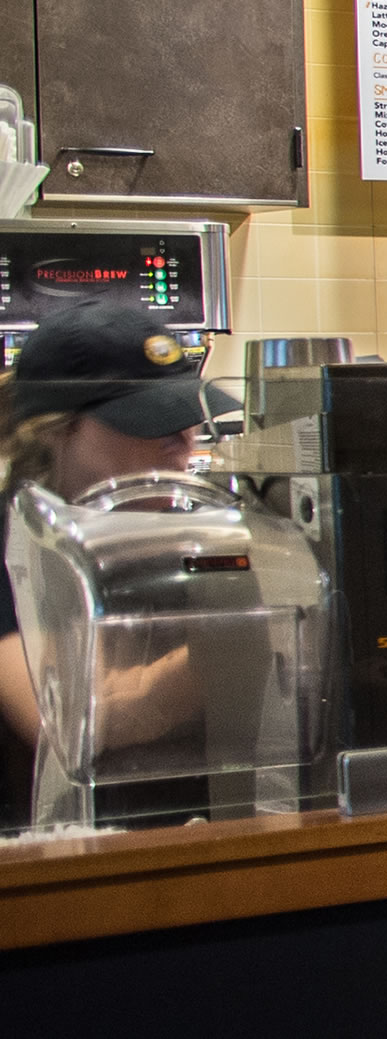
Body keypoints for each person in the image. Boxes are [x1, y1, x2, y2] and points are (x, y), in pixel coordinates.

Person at [0, 299, 242, 829]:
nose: (184, 445)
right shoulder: (12, 543)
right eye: (153, 423)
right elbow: (65, 723)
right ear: (54, 430)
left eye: (188, 420)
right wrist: (229, 648)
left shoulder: (190, 533)